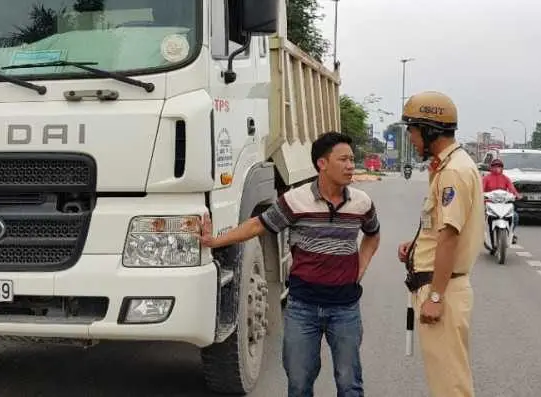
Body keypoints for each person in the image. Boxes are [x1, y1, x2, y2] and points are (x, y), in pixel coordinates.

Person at [196, 131, 381, 397]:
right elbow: (257, 225)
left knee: (349, 383)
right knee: (299, 383)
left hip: (345, 308)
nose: (351, 165)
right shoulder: (296, 201)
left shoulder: (361, 203)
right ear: (322, 163)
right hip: (303, 308)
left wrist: (359, 269)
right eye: (343, 160)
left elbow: (373, 235)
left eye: (352, 159)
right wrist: (215, 241)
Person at [396, 91, 484, 397]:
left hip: (442, 288)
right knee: (446, 381)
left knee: (450, 386)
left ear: (429, 130)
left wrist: (435, 296)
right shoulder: (448, 166)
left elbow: (449, 237)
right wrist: (415, 246)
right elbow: (439, 228)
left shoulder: (453, 172)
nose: (411, 139)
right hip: (439, 284)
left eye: (413, 131)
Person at [482, 158, 522, 242]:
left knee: (515, 216)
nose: (497, 168)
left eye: (499, 166)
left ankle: (511, 233)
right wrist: (481, 196)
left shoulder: (506, 178)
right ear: (491, 167)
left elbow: (512, 189)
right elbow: (481, 189)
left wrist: (517, 195)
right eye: (494, 166)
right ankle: (481, 235)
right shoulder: (486, 178)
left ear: (502, 168)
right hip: (489, 204)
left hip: (503, 204)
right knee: (480, 217)